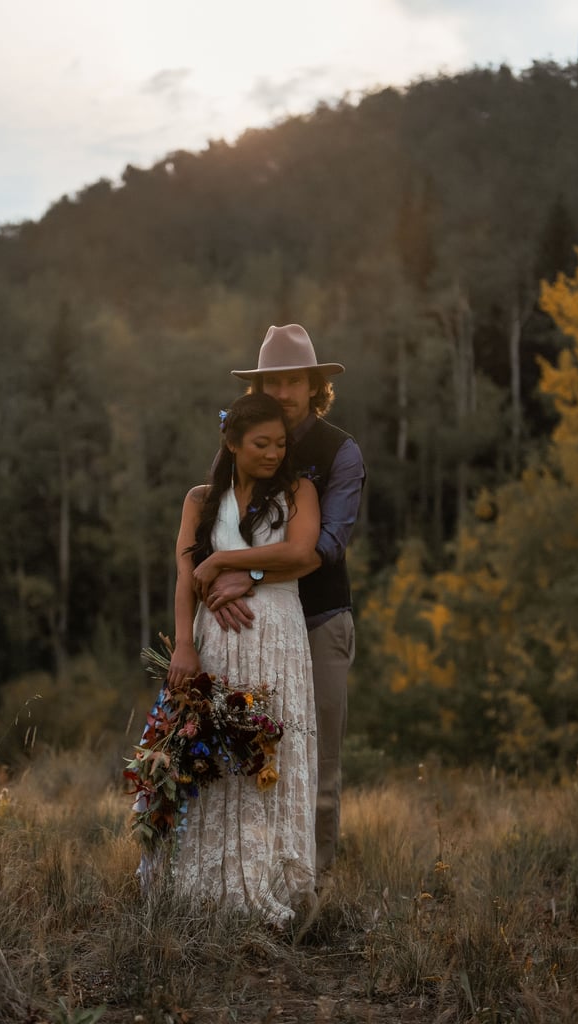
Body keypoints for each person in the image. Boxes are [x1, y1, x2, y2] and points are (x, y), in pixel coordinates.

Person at [205, 324, 365, 879]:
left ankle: (313, 894)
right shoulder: (245, 440)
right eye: (273, 381)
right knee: (246, 760)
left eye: (294, 380)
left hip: (318, 622)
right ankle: (256, 882)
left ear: (314, 385)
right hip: (250, 629)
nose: (283, 391)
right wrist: (214, 592)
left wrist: (245, 573)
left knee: (316, 766)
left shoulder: (340, 452)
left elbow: (326, 547)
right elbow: (213, 524)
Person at [167, 392, 320, 926]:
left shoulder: (298, 492)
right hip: (217, 640)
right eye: (261, 443)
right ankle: (211, 881)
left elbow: (303, 554)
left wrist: (228, 560)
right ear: (231, 442)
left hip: (276, 632)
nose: (274, 453)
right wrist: (185, 644)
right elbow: (188, 577)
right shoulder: (199, 500)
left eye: (280, 443)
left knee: (272, 751)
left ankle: (271, 876)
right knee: (217, 751)